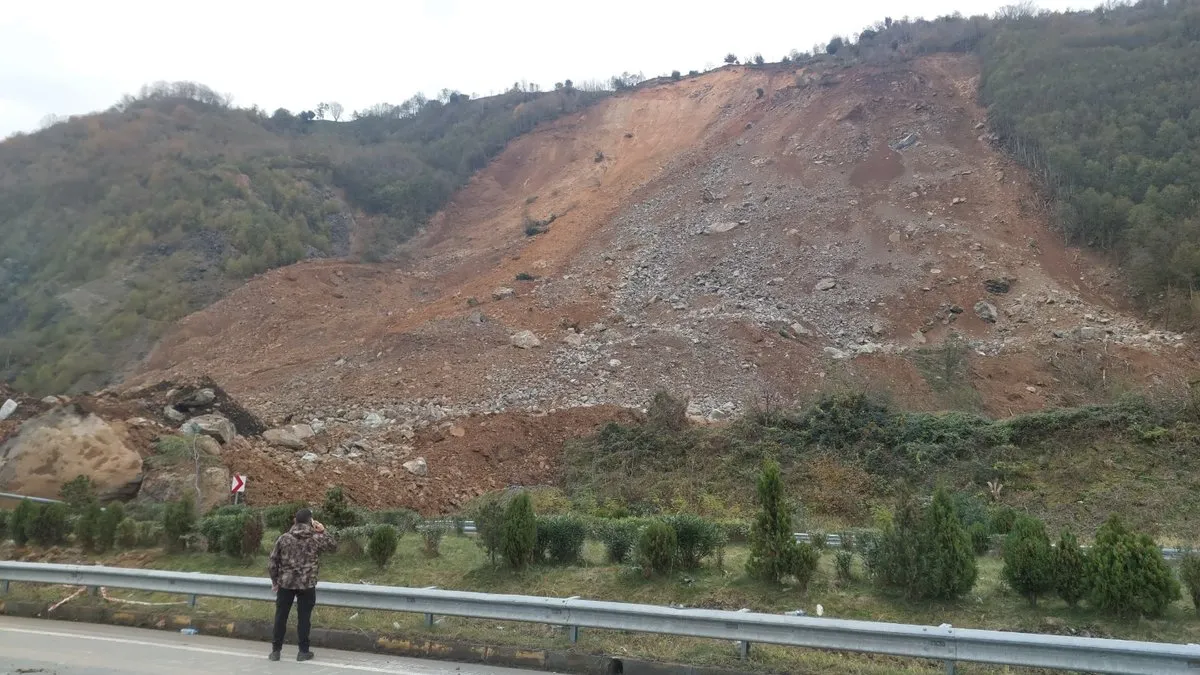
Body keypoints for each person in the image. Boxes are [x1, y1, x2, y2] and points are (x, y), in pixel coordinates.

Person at [267, 508, 337, 661]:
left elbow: (273, 562)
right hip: (307, 584)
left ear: (295, 521)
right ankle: (303, 651)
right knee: (304, 618)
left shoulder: (283, 538)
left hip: (286, 584)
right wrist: (323, 531)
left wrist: (275, 581)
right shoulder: (316, 538)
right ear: (311, 521)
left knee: (281, 617)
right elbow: (333, 547)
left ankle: (275, 651)